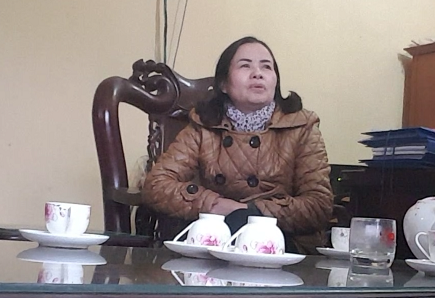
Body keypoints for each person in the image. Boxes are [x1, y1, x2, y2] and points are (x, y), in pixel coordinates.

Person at [142, 36, 333, 254]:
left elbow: (319, 204)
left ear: (275, 81)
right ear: (223, 84)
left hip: (282, 244)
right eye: (245, 65)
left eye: (266, 66)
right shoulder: (204, 124)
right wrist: (214, 204)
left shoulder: (302, 125)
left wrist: (249, 213)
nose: (258, 73)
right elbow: (156, 185)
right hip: (218, 238)